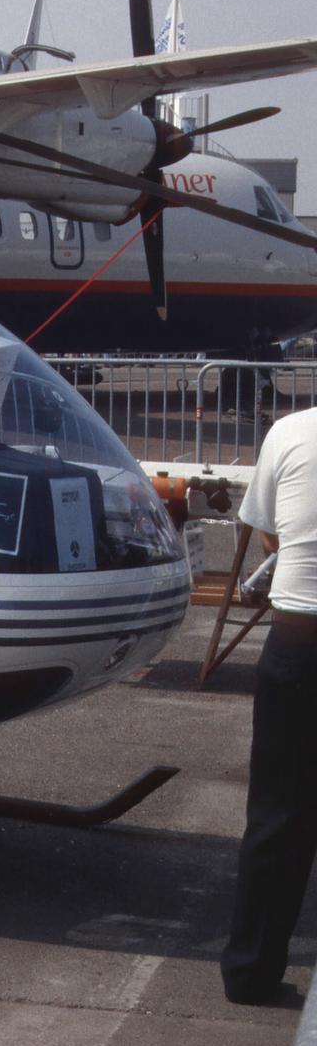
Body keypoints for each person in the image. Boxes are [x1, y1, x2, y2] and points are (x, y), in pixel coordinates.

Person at [223, 404, 317, 1005]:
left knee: (278, 814)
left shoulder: (289, 432)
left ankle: (252, 970)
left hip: (298, 643)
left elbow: (269, 533)